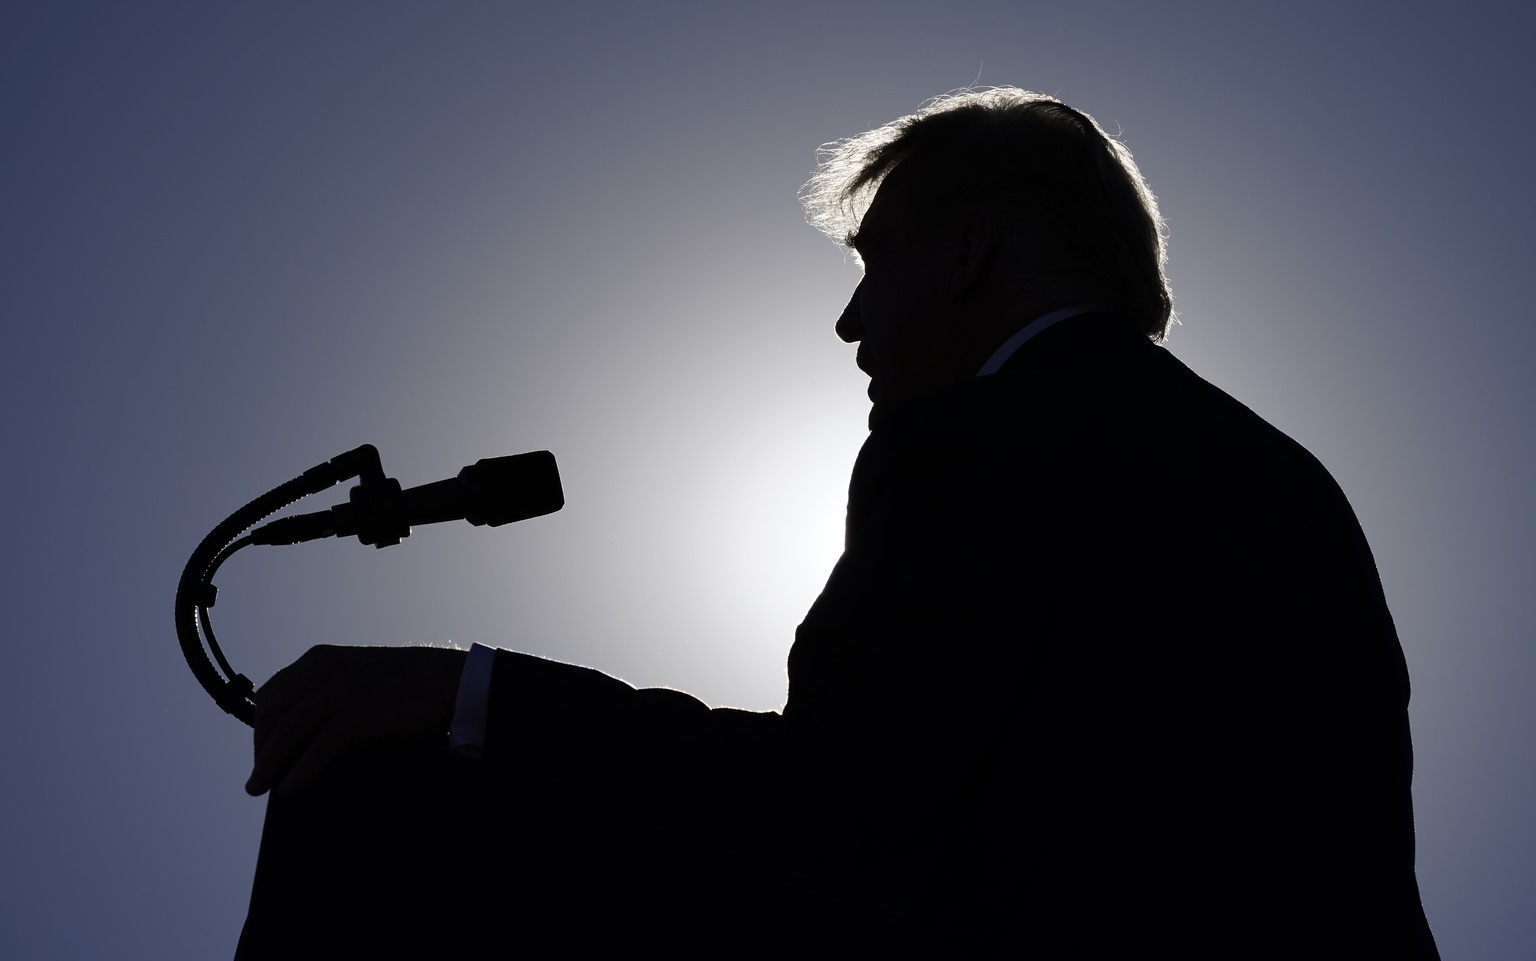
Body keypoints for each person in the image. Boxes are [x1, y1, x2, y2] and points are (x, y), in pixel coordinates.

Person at [237, 88, 1439, 958]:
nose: (850, 325)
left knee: (371, 800)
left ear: (968, 250)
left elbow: (833, 801)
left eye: (874, 265)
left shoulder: (980, 435)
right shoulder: (1284, 479)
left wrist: (458, 693)